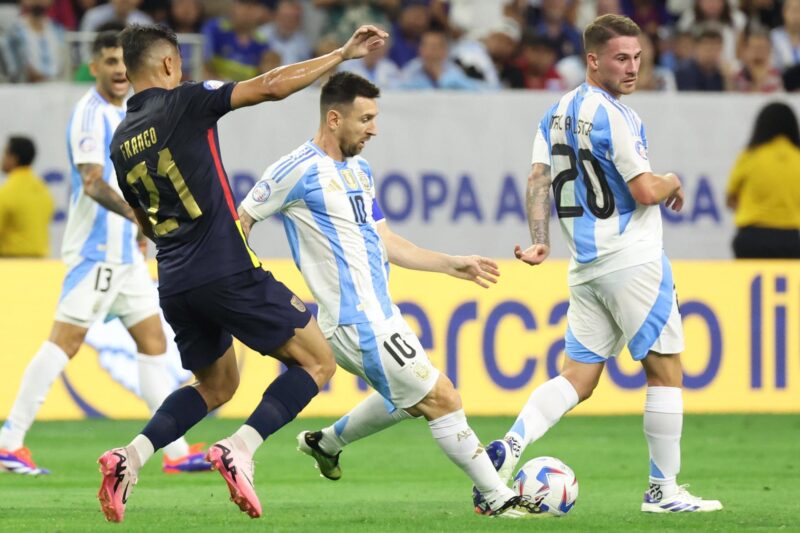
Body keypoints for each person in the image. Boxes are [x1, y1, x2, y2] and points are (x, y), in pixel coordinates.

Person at [97, 23, 388, 523]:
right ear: (169, 65)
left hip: (174, 279)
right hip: (225, 268)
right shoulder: (185, 100)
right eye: (180, 65)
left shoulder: (121, 140)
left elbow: (142, 218)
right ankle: (241, 448)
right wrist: (340, 53)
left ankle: (130, 458)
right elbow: (270, 85)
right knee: (317, 362)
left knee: (215, 385)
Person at [237, 71, 537, 519]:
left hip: (381, 312)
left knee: (410, 400)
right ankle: (497, 498)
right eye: (366, 118)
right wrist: (246, 289)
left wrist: (451, 263)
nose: (374, 128)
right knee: (442, 397)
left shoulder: (360, 170)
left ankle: (327, 443)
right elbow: (239, 224)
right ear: (334, 119)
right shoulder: (294, 170)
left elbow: (386, 242)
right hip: (353, 321)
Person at [484, 14, 723, 514]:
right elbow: (644, 191)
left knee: (578, 377)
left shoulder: (555, 112)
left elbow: (537, 178)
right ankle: (664, 491)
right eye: (621, 58)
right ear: (593, 60)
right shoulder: (617, 115)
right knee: (665, 372)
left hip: (587, 267)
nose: (633, 67)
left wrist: (540, 241)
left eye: (637, 57)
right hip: (633, 261)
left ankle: (506, 451)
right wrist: (674, 180)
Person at [0, 31, 208, 477]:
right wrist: (138, 217)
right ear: (93, 67)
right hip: (96, 253)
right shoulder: (89, 115)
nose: (117, 69)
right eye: (108, 61)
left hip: (125, 256)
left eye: (122, 62)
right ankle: (8, 441)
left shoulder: (125, 113)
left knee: (154, 344)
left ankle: (175, 451)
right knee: (65, 342)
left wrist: (138, 231)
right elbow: (93, 181)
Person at [726, 102, 800, 258]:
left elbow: (730, 199)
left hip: (752, 239)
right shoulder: (797, 158)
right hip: (791, 241)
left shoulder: (751, 156)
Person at [0, 136, 54, 257]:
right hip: (40, 264)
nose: (2, 158)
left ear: (14, 158)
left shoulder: (7, 192)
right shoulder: (43, 191)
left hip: (12, 265)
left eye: (5, 153)